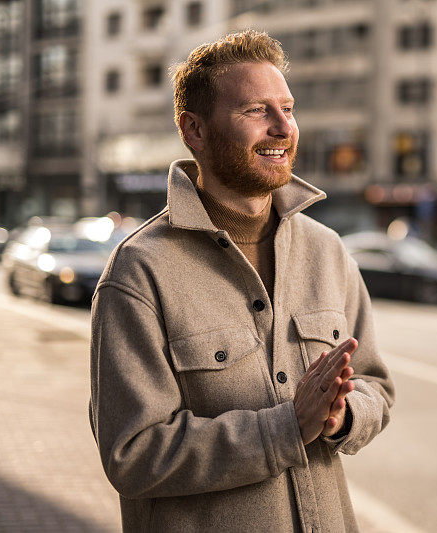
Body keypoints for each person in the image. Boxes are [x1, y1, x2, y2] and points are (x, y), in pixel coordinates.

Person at [89, 30, 394, 532]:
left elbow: (375, 386)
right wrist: (287, 427)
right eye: (256, 111)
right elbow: (133, 453)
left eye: (288, 109)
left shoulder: (327, 251)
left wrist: (339, 416)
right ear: (195, 130)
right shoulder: (139, 273)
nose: (282, 128)